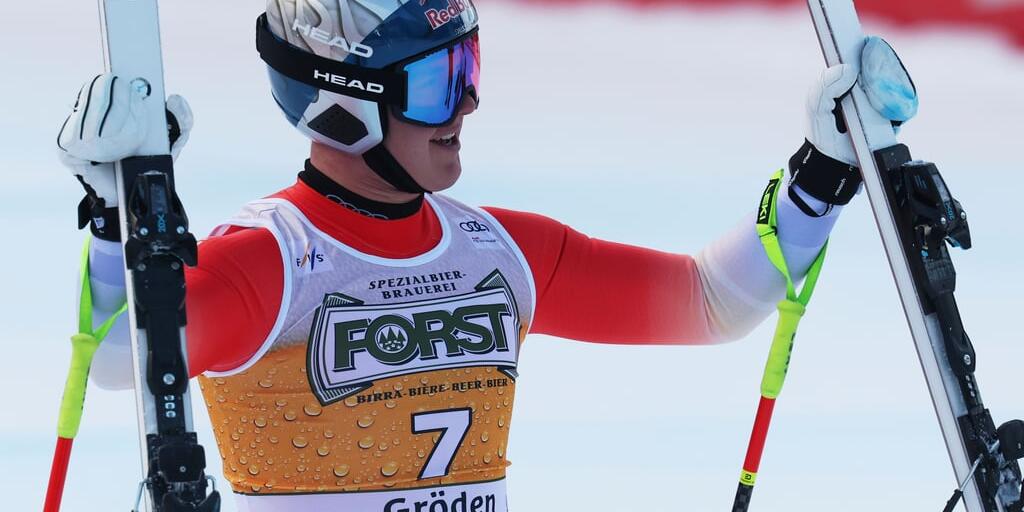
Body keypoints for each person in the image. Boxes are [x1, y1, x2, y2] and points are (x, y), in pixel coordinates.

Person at [56, 1, 917, 510]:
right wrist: (114, 223)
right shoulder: (273, 262)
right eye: (440, 83)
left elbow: (708, 302)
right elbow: (128, 360)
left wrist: (818, 176)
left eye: (468, 67)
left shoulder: (498, 252)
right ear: (343, 102)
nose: (468, 103)